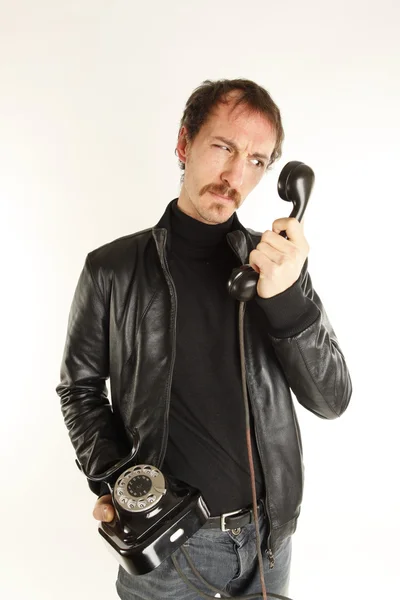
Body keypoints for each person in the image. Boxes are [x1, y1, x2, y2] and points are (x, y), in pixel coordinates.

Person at [56, 78, 352, 599]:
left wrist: (284, 299)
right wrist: (121, 485)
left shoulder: (277, 266)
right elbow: (79, 390)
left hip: (267, 542)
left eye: (258, 161)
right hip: (167, 546)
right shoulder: (112, 269)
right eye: (223, 147)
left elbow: (331, 400)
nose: (236, 174)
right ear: (184, 144)